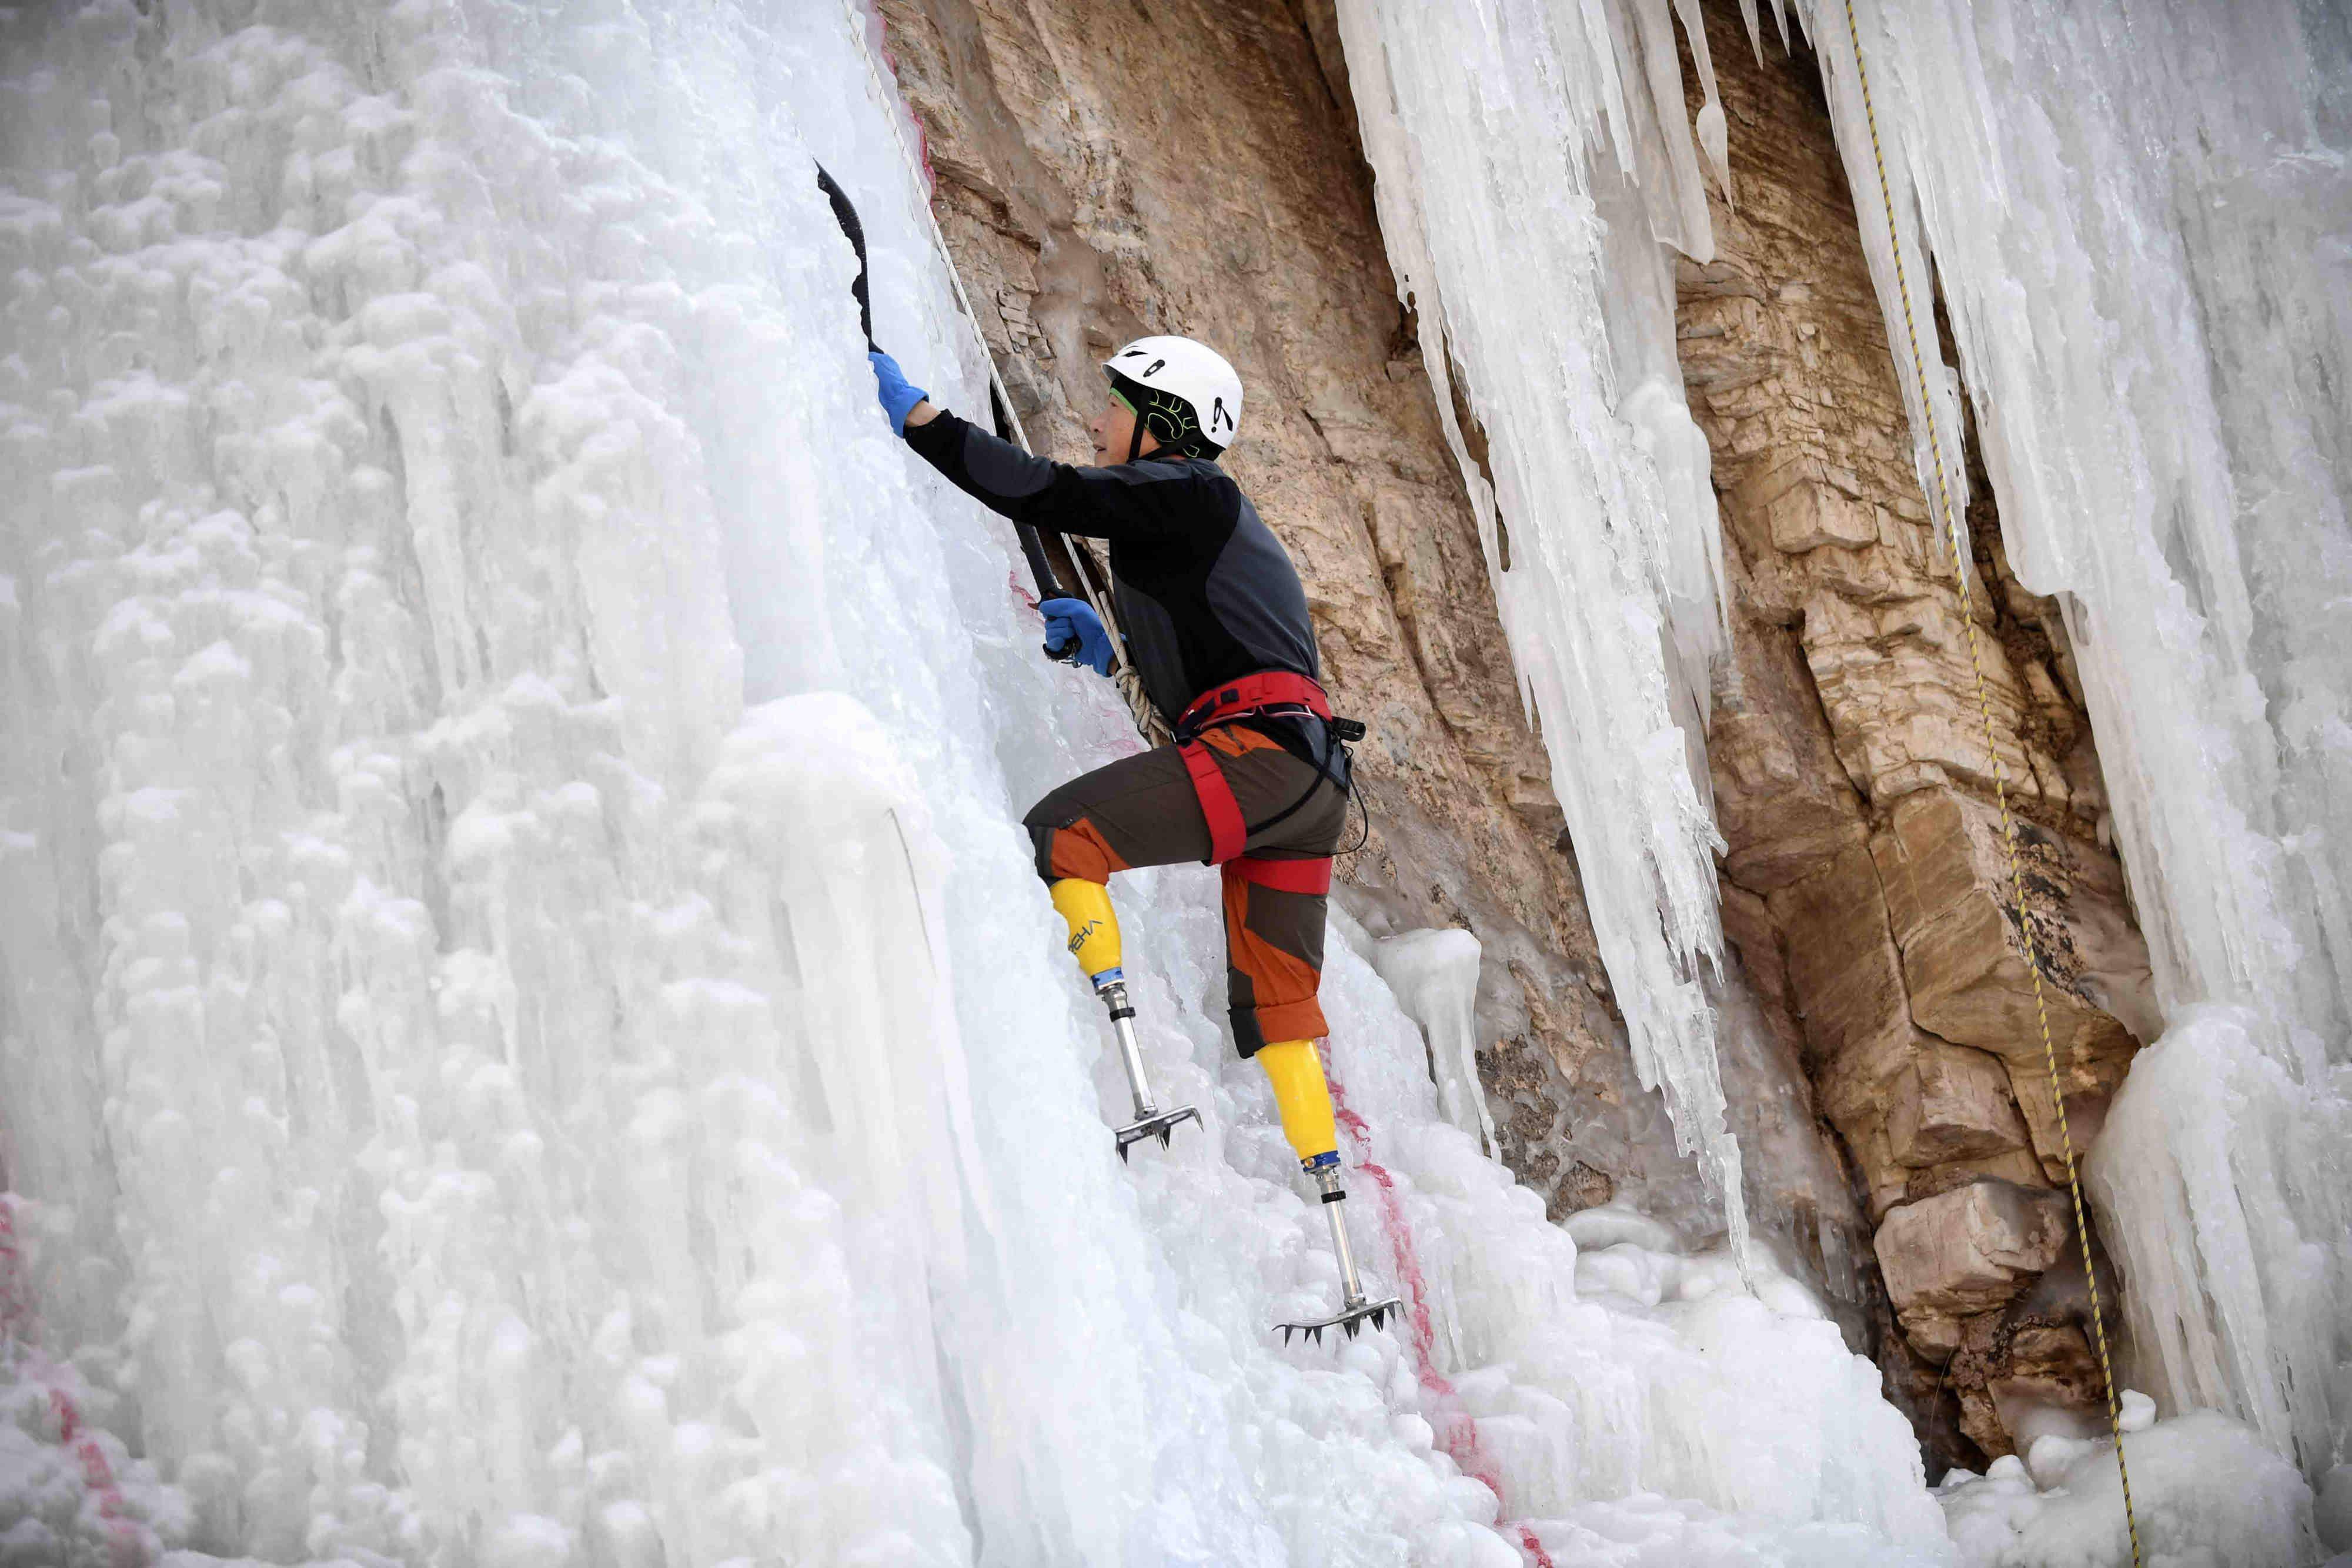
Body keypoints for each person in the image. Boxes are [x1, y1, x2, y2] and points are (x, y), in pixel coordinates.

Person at [866, 335, 1353, 1187]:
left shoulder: (1189, 489)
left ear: (1161, 425)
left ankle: (1123, 1065)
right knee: (1280, 1004)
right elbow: (1205, 637)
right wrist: (1113, 645)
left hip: (1259, 760)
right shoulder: (1195, 524)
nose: (1096, 424)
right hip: (1307, 782)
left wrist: (920, 418)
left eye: (1115, 410)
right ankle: (1336, 1214)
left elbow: (1041, 490)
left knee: (1064, 835)